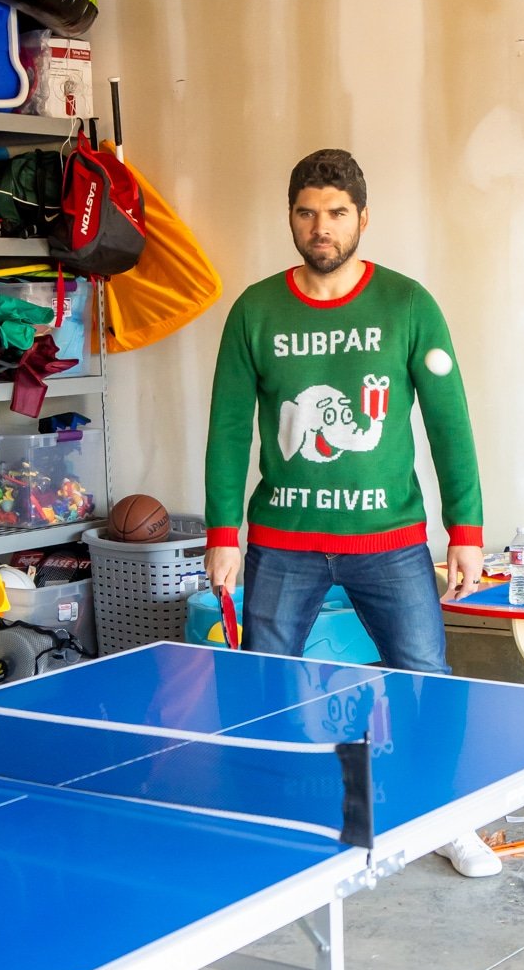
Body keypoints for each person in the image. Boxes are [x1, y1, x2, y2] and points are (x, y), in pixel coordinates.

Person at [203, 146, 500, 878]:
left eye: (336, 213)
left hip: (390, 540)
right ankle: (263, 814)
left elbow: (449, 423)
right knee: (265, 683)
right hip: (283, 541)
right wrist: (222, 533)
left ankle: (445, 820)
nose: (321, 227)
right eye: (307, 212)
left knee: (425, 677)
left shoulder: (406, 305)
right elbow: (229, 428)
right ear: (292, 218)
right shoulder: (256, 310)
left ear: (362, 218)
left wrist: (466, 532)